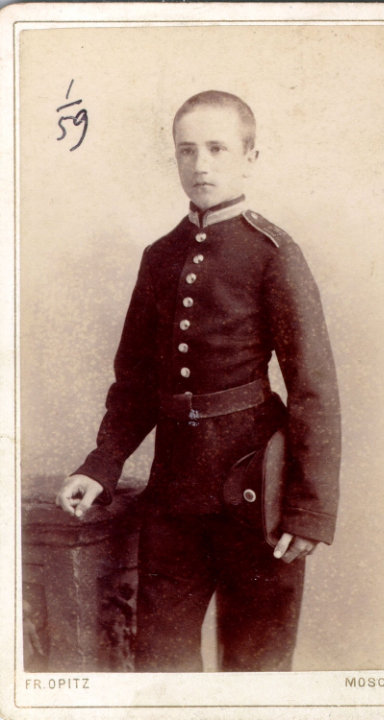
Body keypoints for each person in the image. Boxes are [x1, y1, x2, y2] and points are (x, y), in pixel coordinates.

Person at [56, 90, 341, 672]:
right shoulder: (160, 256)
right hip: (174, 496)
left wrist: (309, 511)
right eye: (187, 151)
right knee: (162, 667)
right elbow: (135, 382)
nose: (201, 164)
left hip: (257, 495)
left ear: (250, 157)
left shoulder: (274, 254)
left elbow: (314, 389)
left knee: (255, 671)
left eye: (217, 148)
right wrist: (100, 465)